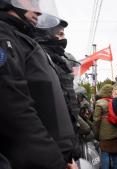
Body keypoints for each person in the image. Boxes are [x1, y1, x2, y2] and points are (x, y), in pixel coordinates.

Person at [0, 0, 77, 168]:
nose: (39, 11)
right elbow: (14, 112)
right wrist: (56, 163)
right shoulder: (4, 37)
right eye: (32, 2)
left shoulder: (21, 39)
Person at [34, 19, 82, 161]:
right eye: (60, 34)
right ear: (48, 34)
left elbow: (69, 109)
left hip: (68, 144)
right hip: (53, 149)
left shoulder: (62, 62)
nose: (63, 38)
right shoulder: (40, 58)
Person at [93, 84, 117, 169]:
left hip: (105, 135)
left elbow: (96, 120)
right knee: (115, 156)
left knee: (105, 155)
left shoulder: (99, 103)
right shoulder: (116, 102)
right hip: (116, 134)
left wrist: (96, 134)